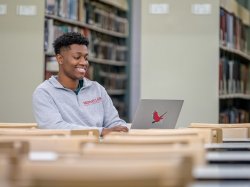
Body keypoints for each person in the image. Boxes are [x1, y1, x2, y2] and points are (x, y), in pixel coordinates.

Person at [32, 32, 129, 136]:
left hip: (101, 148)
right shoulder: (44, 92)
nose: (84, 62)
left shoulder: (97, 89)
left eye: (86, 58)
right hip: (67, 149)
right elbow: (54, 127)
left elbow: (113, 122)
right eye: (77, 57)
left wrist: (122, 129)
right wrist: (101, 131)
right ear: (60, 59)